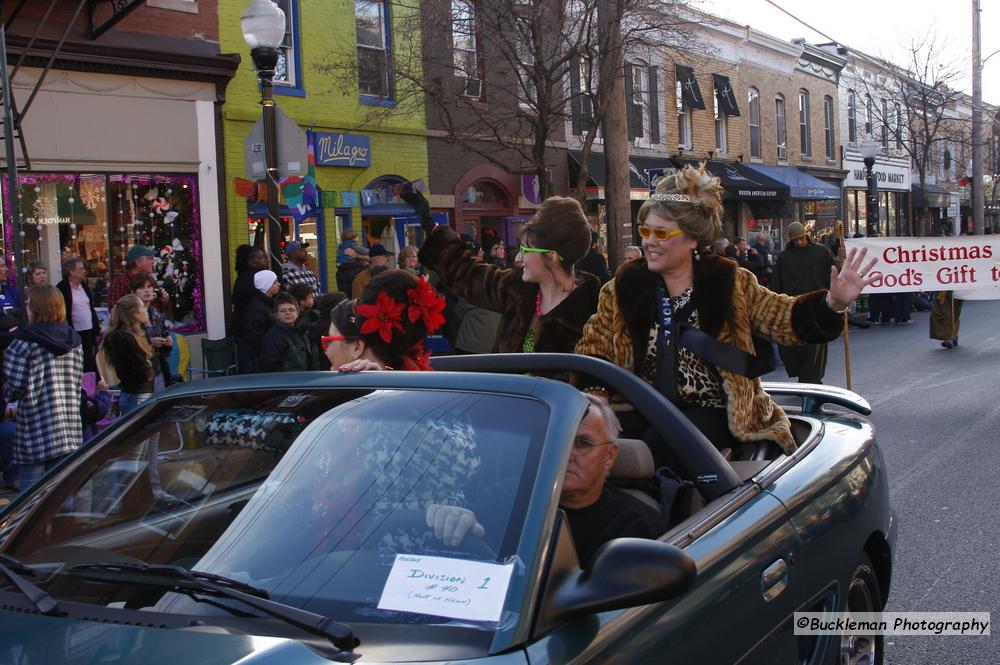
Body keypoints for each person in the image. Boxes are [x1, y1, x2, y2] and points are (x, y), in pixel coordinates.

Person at [575, 165, 874, 455]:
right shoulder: (623, 286)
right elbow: (593, 353)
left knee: (663, 444)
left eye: (661, 233)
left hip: (719, 412)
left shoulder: (729, 281)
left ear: (693, 239)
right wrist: (595, 402)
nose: (649, 242)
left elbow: (782, 317)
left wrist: (832, 303)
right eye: (645, 230)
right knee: (592, 448)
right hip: (644, 406)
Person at [424, 393, 663, 568]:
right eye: (558, 439)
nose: (567, 453)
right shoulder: (503, 499)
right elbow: (464, 565)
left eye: (582, 443)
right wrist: (454, 524)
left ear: (609, 456)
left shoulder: (636, 524)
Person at [407, 189, 600, 354]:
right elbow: (469, 273)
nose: (517, 258)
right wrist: (428, 223)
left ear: (552, 256)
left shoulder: (592, 311)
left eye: (525, 250)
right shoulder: (518, 288)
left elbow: (595, 378)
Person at [3, 286, 83, 494]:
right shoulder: (73, 340)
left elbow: (13, 390)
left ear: (37, 308)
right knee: (60, 498)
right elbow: (77, 382)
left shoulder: (22, 343)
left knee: (30, 501)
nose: (26, 307)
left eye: (29, 304)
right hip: (67, 428)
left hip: (34, 429)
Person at [324, 269, 446, 372]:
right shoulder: (417, 382)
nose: (326, 351)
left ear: (357, 347)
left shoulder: (347, 397)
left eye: (329, 341)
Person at [770, 221, 839, 384]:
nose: (800, 242)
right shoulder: (784, 257)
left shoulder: (821, 252)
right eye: (796, 240)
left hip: (817, 306)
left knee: (815, 345)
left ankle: (812, 378)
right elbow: (776, 283)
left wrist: (840, 260)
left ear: (806, 236)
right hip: (794, 306)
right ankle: (804, 375)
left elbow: (836, 271)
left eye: (801, 238)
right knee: (795, 345)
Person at [101, 294, 155, 415]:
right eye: (143, 308)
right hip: (138, 395)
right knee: (144, 432)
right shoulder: (126, 338)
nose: (145, 310)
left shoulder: (119, 335)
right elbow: (144, 372)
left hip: (131, 393)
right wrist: (149, 367)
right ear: (134, 313)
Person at [56, 256, 101, 374]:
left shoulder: (84, 286)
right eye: (80, 269)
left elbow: (90, 308)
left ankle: (90, 387)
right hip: (74, 331)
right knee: (77, 362)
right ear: (71, 272)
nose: (84, 271)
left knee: (89, 360)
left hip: (88, 329)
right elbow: (62, 312)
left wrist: (97, 329)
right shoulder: (62, 288)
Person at [131, 272, 173, 390]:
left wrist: (167, 342)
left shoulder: (156, 314)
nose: (147, 290)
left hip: (159, 370)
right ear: (133, 292)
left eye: (149, 287)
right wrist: (150, 343)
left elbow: (166, 350)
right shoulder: (129, 316)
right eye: (141, 287)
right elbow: (127, 347)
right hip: (139, 374)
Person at [232, 245, 269, 373]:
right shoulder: (250, 279)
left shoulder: (251, 277)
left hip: (250, 329)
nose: (266, 259)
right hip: (247, 330)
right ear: (251, 261)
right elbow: (259, 301)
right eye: (261, 257)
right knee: (249, 367)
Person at [259, 292, 312, 372]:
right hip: (284, 382)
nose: (288, 313)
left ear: (297, 313)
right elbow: (270, 365)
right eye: (283, 311)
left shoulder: (302, 332)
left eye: (291, 310)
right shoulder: (272, 337)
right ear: (276, 315)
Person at [243, 270, 281, 372]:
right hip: (262, 361)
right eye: (275, 282)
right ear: (267, 285)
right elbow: (256, 338)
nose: (279, 284)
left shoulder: (268, 304)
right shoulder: (257, 308)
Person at [107, 245, 155, 309]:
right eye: (149, 258)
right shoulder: (120, 282)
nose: (153, 262)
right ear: (138, 262)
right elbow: (114, 309)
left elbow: (157, 309)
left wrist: (163, 301)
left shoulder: (150, 279)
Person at [335, 229, 368, 294]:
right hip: (353, 268)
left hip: (341, 270)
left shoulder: (341, 245)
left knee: (344, 293)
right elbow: (364, 251)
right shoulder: (353, 244)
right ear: (354, 238)